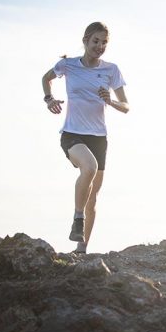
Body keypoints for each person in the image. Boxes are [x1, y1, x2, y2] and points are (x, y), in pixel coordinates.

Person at [41, 22, 129, 254]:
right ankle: (77, 218)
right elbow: (46, 78)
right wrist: (49, 99)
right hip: (72, 133)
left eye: (104, 43)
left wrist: (110, 100)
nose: (99, 46)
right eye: (95, 41)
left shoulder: (112, 70)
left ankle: (81, 249)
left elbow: (126, 106)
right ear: (86, 40)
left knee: (93, 199)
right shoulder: (68, 65)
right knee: (89, 167)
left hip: (99, 138)